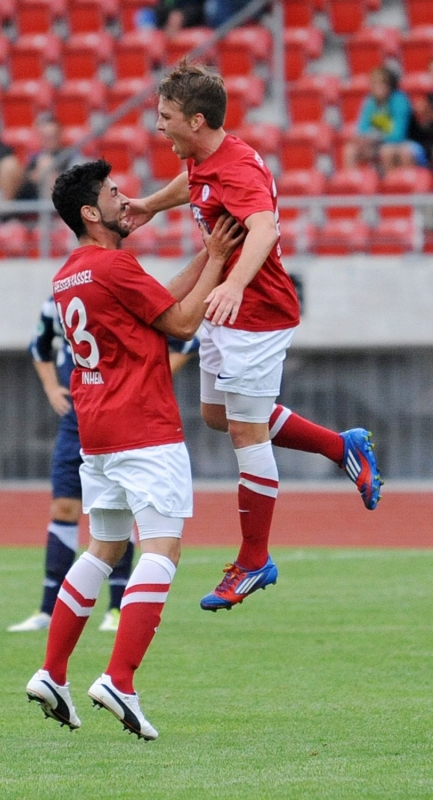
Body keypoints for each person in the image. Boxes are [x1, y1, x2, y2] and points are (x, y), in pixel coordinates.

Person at [126, 60, 383, 614]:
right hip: (227, 311)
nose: (159, 126)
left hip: (257, 313)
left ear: (196, 120)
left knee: (246, 430)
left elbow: (264, 227)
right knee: (218, 416)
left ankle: (253, 560)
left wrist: (235, 284)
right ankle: (341, 446)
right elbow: (194, 183)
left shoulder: (238, 167)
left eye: (166, 116)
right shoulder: (204, 157)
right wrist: (148, 205)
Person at [26, 159, 243, 739]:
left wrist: (206, 255)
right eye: (114, 193)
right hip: (143, 427)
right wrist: (219, 262)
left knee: (103, 548)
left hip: (97, 432)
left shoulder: (71, 274)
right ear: (91, 213)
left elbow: (154, 301)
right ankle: (119, 679)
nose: (126, 199)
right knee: (162, 549)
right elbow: (181, 322)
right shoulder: (115, 265)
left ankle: (52, 672)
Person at [8, 296, 199, 634]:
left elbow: (186, 342)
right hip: (76, 421)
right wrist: (52, 388)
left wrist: (143, 384)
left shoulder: (120, 295)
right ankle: (48, 610)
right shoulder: (58, 301)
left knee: (120, 511)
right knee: (64, 507)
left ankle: (117, 607)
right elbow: (39, 346)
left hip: (122, 420)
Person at [343, 66, 412, 174]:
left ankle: (391, 182)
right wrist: (364, 139)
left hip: (397, 143)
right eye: (375, 83)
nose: (379, 87)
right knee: (350, 150)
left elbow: (399, 134)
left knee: (387, 151)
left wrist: (376, 139)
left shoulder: (399, 100)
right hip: (375, 143)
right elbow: (362, 128)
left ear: (390, 85)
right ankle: (353, 180)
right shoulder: (370, 101)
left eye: (383, 83)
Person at [379, 91, 433, 170]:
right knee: (388, 150)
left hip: (423, 152)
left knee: (406, 152)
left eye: (429, 109)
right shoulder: (413, 116)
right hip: (413, 145)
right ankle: (392, 178)